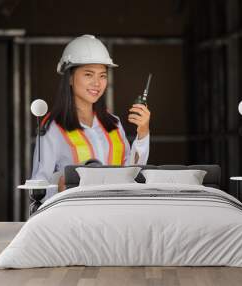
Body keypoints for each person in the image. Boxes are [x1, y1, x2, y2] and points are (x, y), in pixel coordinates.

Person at [30, 34, 151, 200]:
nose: (97, 83)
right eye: (88, 74)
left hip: (115, 213)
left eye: (102, 75)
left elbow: (132, 173)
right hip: (76, 218)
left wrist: (143, 132)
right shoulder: (53, 127)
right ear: (70, 78)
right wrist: (59, 188)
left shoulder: (113, 123)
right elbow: (38, 185)